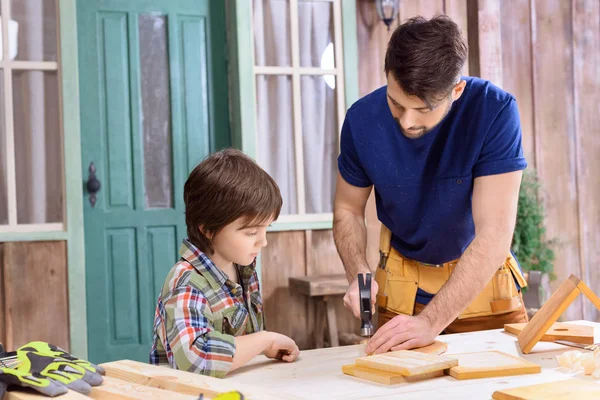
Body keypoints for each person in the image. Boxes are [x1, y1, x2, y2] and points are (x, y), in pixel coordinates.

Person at [333, 15, 528, 356]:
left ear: (456, 90)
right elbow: (348, 209)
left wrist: (431, 321)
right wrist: (359, 274)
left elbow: (495, 231)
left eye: (423, 110)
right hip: (402, 289)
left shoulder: (495, 112)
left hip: (484, 287)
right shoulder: (361, 120)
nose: (407, 121)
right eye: (396, 104)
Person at [150, 149, 300, 377]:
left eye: (266, 228)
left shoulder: (243, 269)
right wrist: (265, 340)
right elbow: (196, 360)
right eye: (251, 232)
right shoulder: (186, 282)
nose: (263, 241)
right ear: (208, 229)